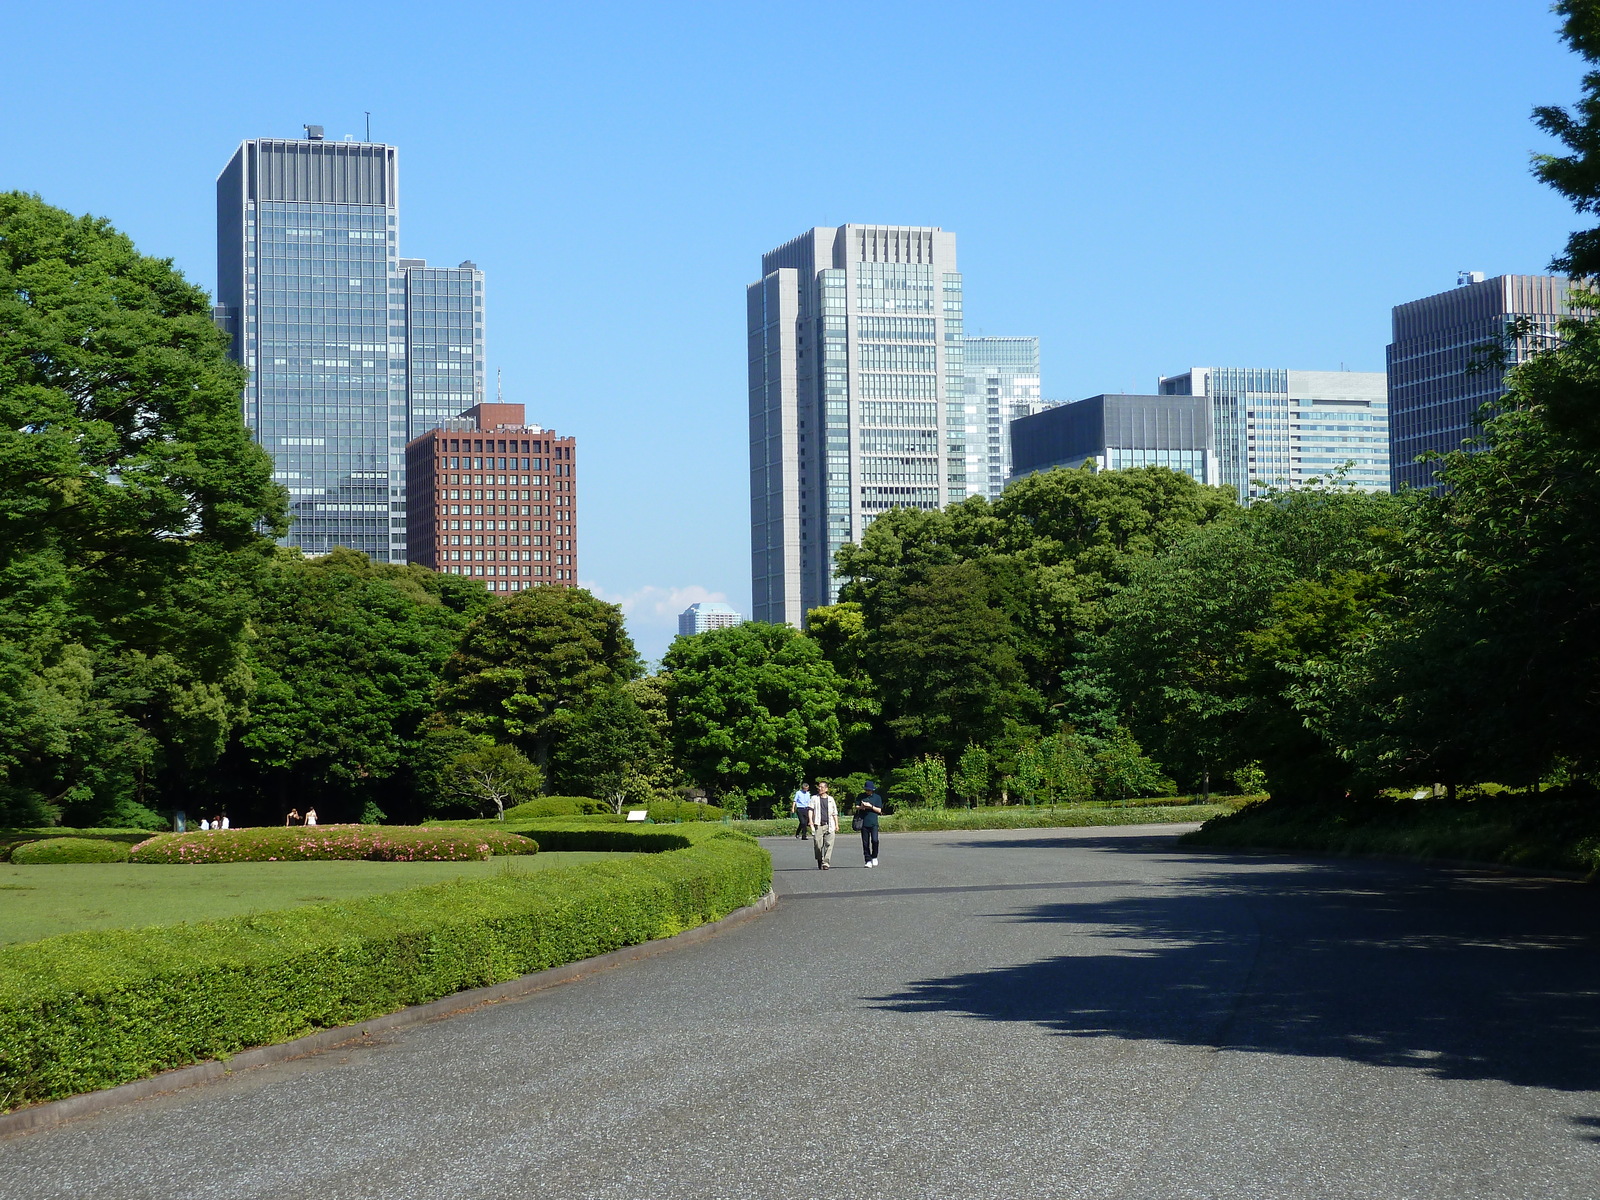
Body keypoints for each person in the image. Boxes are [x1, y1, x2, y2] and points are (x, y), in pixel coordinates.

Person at [810, 781, 838, 870]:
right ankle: (819, 859)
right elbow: (810, 810)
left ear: (826, 789)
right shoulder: (814, 798)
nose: (820, 788)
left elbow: (834, 813)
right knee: (817, 845)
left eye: (822, 787)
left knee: (829, 845)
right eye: (819, 787)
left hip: (829, 825)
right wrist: (810, 821)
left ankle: (826, 863)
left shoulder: (831, 799)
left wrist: (836, 824)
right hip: (819, 825)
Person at [855, 780, 883, 868]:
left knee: (875, 840)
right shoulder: (861, 796)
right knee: (865, 842)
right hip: (863, 822)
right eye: (866, 790)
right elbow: (856, 806)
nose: (867, 792)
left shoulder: (877, 797)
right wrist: (862, 807)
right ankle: (867, 860)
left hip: (873, 822)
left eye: (869, 790)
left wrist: (870, 806)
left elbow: (879, 810)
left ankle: (874, 856)